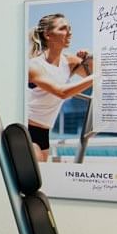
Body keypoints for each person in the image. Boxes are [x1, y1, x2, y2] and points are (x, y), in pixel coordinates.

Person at [25, 13, 95, 163]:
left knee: (42, 177)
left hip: (44, 132)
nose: (69, 32)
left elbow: (98, 75)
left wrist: (89, 58)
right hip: (27, 129)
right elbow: (61, 92)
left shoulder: (69, 62)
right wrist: (98, 75)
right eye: (63, 28)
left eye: (69, 28)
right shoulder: (34, 66)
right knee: (36, 174)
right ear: (48, 35)